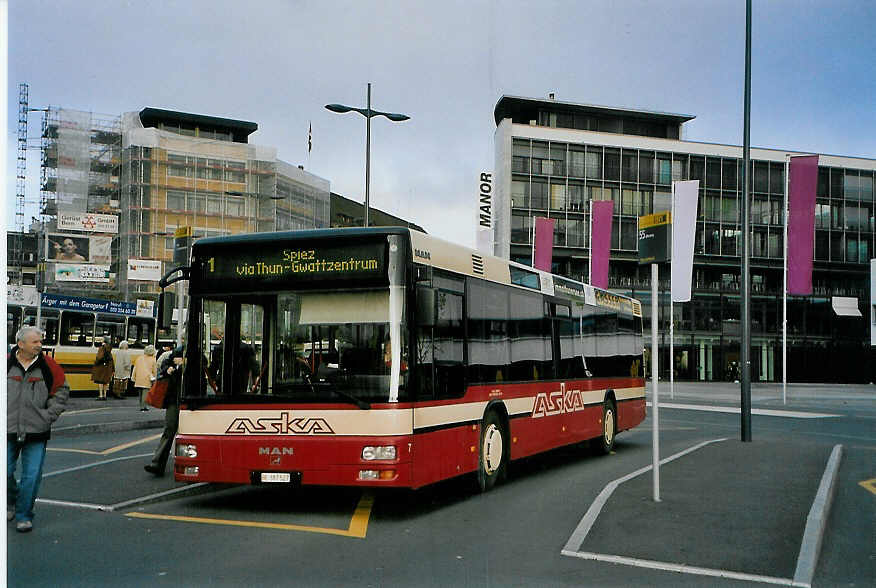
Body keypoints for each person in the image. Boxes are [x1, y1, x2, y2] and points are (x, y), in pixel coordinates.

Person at [7, 326, 69, 533]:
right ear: (21, 344)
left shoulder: (49, 365)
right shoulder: (6, 363)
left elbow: (61, 392)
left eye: (40, 342)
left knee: (31, 476)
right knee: (5, 472)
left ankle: (24, 515)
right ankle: (10, 502)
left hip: (36, 430)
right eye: (35, 342)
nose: (40, 345)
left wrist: (48, 417)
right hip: (7, 430)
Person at [144, 344, 184, 476]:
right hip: (175, 398)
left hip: (188, 400)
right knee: (169, 429)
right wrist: (169, 368)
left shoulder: (195, 353)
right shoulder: (177, 352)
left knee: (172, 431)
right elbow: (165, 365)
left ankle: (159, 463)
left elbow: (203, 365)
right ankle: (157, 464)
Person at [132, 345, 157, 411]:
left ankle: (141, 404)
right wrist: (155, 378)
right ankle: (143, 406)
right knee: (145, 393)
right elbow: (154, 371)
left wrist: (133, 377)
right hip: (147, 378)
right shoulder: (153, 359)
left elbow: (135, 368)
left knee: (140, 392)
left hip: (139, 377)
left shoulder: (139, 358)